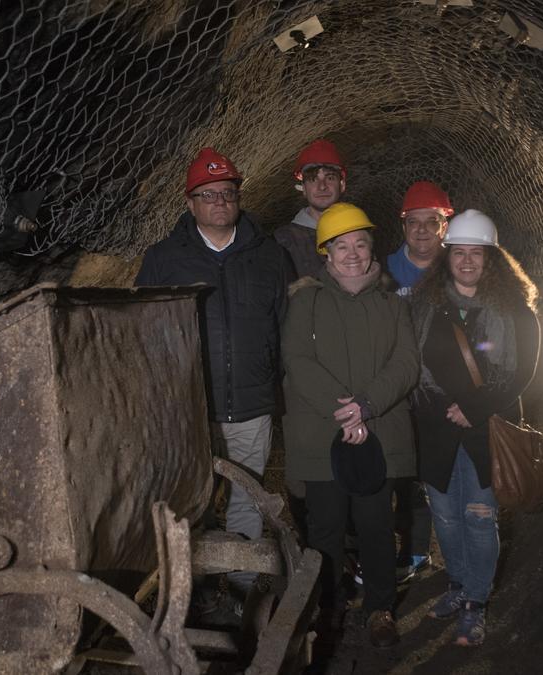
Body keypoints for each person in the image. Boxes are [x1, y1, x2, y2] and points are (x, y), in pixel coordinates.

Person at [135, 147, 295, 600]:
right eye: (208, 195)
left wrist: (279, 388)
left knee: (247, 500)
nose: (219, 202)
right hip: (191, 408)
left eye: (227, 193)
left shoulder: (269, 256)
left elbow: (285, 327)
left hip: (251, 403)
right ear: (190, 203)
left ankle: (241, 594)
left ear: (238, 198)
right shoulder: (164, 260)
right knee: (192, 503)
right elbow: (147, 334)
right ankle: (198, 593)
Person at [280, 202, 419, 648]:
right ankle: (329, 608)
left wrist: (366, 406)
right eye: (342, 246)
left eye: (360, 243)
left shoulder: (391, 303)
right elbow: (297, 359)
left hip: (375, 433)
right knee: (325, 531)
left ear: (371, 248)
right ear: (326, 253)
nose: (353, 253)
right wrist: (344, 411)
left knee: (377, 525)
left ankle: (380, 608)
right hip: (324, 435)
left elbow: (406, 363)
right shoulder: (307, 301)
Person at [409, 209, 540, 647]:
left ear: (492, 259)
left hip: (486, 428)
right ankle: (458, 585)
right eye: (459, 253)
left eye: (477, 253)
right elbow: (412, 361)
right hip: (435, 427)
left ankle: (476, 603)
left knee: (480, 518)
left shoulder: (517, 312)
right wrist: (439, 406)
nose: (467, 261)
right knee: (445, 516)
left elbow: (522, 372)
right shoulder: (424, 305)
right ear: (447, 257)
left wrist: (474, 407)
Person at [273, 138, 348, 544]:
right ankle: (313, 548)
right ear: (299, 184)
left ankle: (347, 544)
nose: (322, 182)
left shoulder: (356, 230)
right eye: (312, 176)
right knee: (306, 461)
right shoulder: (284, 240)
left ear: (342, 182)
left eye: (330, 175)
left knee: (352, 452)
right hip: (303, 371)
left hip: (353, 365)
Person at [384, 180, 455, 584]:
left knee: (449, 475)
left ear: (445, 225)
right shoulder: (388, 272)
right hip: (403, 391)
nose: (423, 230)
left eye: (432, 221)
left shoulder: (459, 267)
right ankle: (414, 551)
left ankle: (456, 552)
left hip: (448, 392)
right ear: (404, 225)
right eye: (415, 222)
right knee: (407, 475)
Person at [274, 139, 346, 279]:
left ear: (342, 185)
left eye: (330, 178)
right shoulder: (284, 241)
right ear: (304, 189)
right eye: (313, 179)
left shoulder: (357, 234)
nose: (322, 186)